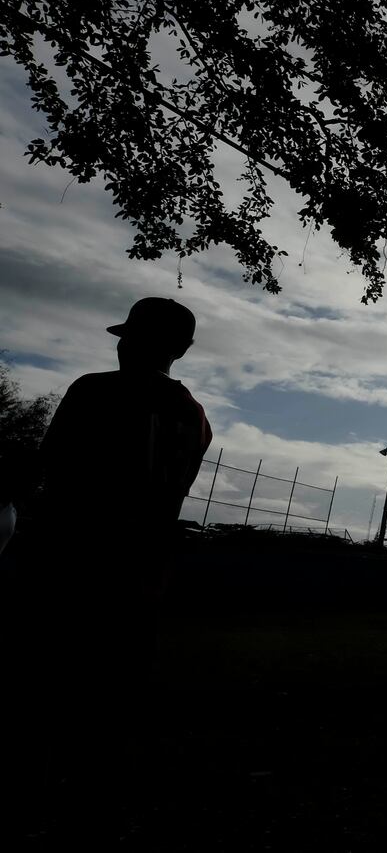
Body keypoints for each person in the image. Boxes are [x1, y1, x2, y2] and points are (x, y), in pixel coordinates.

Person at [11, 296, 212, 838]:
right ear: (184, 350)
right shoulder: (195, 417)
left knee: (42, 695)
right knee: (113, 704)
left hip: (70, 567)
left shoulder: (92, 390)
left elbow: (49, 472)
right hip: (142, 578)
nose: (121, 345)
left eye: (130, 336)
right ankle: (96, 808)